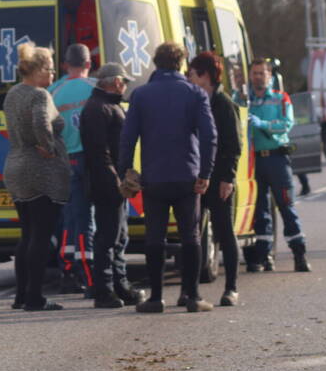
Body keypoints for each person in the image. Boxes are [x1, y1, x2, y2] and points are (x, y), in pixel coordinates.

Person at [119, 42, 216, 313]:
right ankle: (193, 297)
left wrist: (125, 171)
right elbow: (210, 136)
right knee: (191, 237)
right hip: (188, 176)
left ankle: (155, 298)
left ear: (155, 63)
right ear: (181, 64)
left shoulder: (141, 95)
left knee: (155, 238)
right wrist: (205, 173)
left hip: (155, 177)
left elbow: (127, 138)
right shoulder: (195, 94)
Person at [2, 43, 70, 311]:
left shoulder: (12, 94)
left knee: (27, 233)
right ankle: (34, 297)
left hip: (15, 166)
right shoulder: (39, 95)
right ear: (39, 70)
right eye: (50, 69)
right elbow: (42, 122)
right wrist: (50, 147)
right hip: (39, 170)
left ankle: (21, 295)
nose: (53, 74)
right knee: (41, 236)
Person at [80, 62, 146, 308]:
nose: (125, 86)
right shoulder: (98, 108)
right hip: (106, 184)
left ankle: (120, 285)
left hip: (113, 183)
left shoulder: (107, 106)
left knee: (119, 237)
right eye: (124, 82)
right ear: (115, 81)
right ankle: (104, 290)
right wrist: (115, 182)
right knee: (107, 237)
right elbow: (99, 153)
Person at [246, 59, 312, 273]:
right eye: (254, 73)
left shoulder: (280, 99)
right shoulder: (245, 101)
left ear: (270, 76)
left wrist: (263, 124)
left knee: (286, 206)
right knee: (260, 210)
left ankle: (299, 254)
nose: (258, 77)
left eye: (261, 73)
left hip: (276, 158)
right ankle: (265, 255)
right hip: (255, 161)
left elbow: (287, 124)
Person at [188, 52, 242, 307]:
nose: (189, 78)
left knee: (224, 233)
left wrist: (228, 178)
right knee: (194, 235)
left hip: (219, 179)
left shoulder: (224, 104)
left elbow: (233, 144)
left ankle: (231, 288)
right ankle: (190, 290)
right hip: (196, 179)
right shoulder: (194, 101)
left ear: (205, 75)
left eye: (192, 73)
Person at [50, 44, 96, 294]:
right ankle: (87, 270)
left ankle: (66, 268)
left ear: (66, 65)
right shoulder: (97, 87)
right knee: (87, 218)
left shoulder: (52, 91)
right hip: (89, 161)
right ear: (89, 64)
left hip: (63, 161)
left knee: (69, 217)